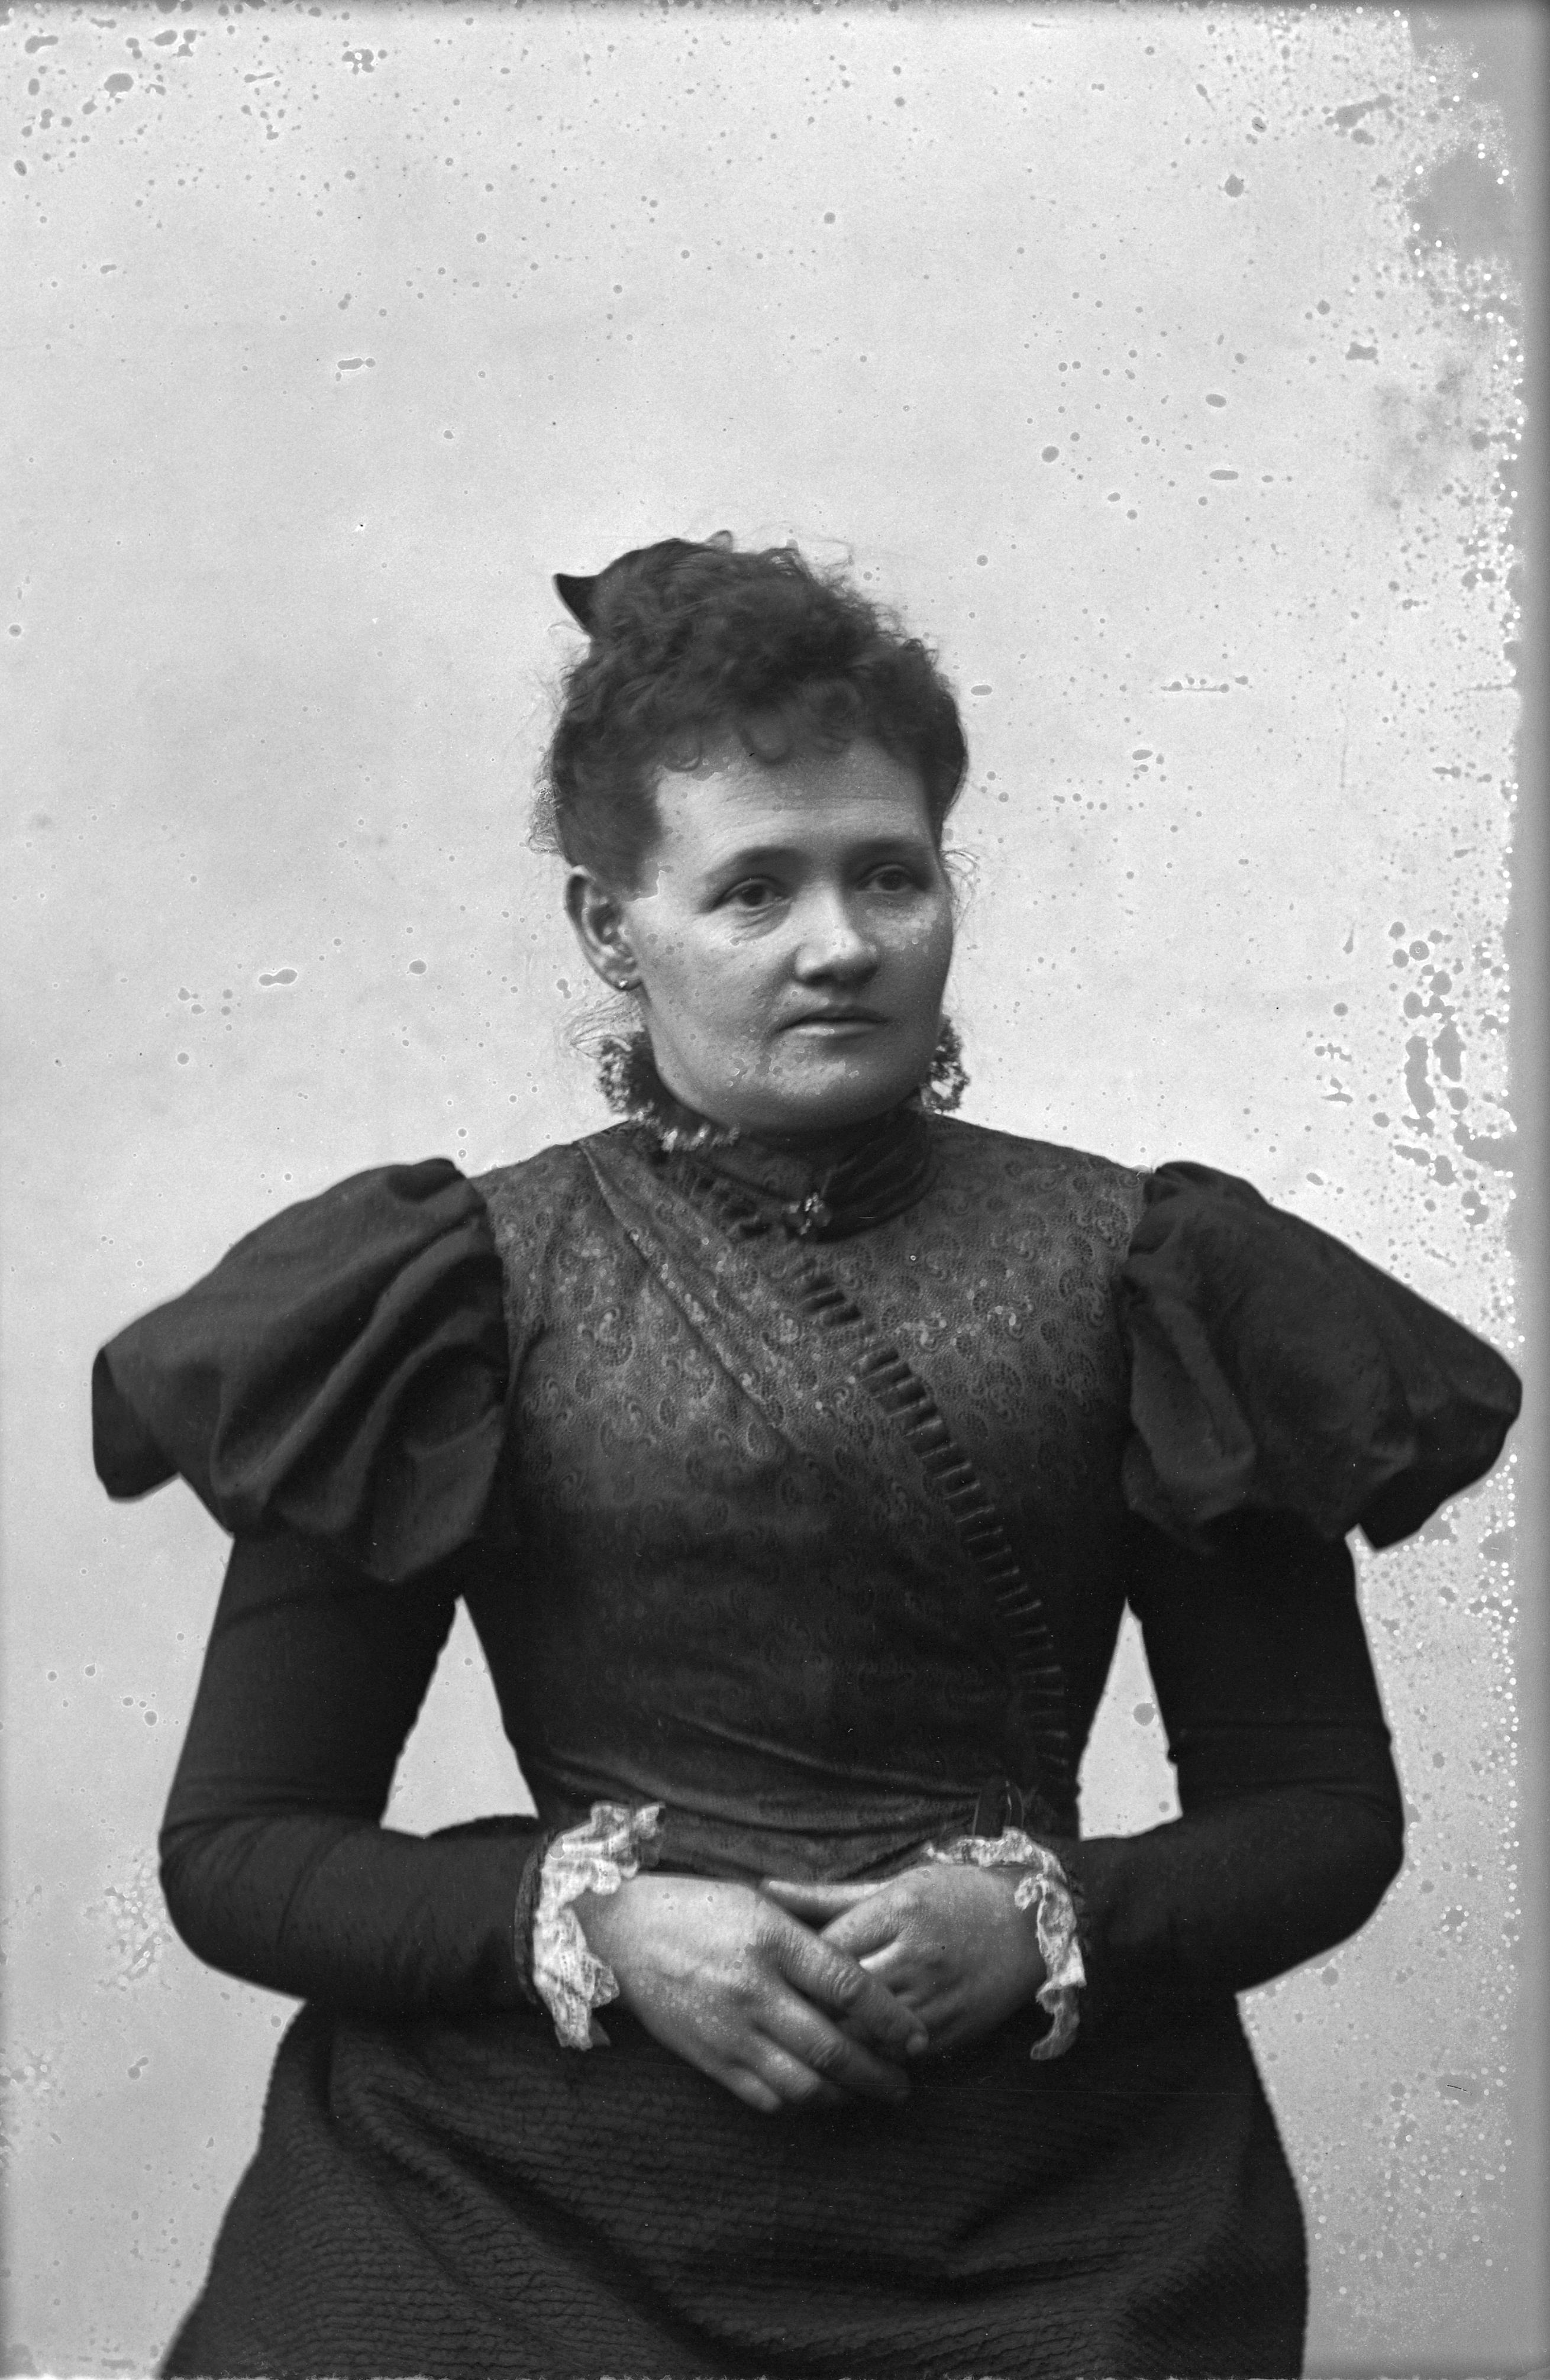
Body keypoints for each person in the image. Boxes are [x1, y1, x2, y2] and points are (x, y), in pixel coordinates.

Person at [93, 536, 1521, 2380]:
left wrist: (1044, 1921)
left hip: (1050, 2203)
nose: (840, 944)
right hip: (511, 2205)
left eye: (887, 874)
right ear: (611, 928)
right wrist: (597, 1923)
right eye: (753, 889)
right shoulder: (447, 1295)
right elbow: (237, 1850)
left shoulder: (1148, 1276)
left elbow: (1319, 1818)